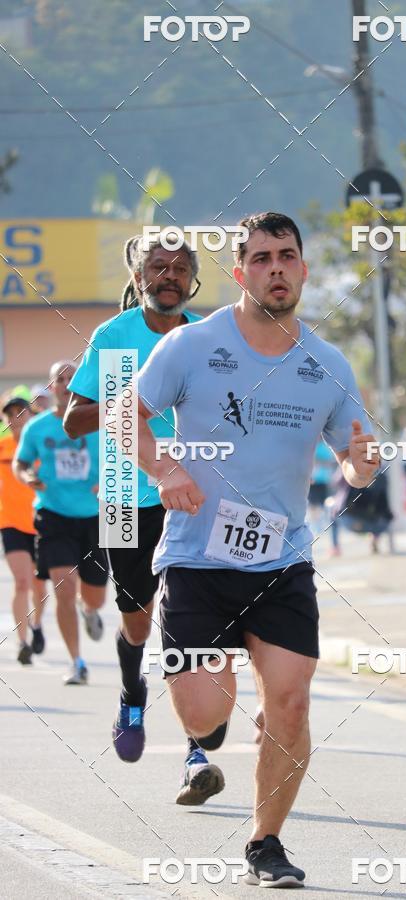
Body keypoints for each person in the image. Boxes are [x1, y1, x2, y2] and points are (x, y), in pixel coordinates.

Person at [131, 212, 379, 887]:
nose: (276, 267)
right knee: (206, 714)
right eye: (262, 257)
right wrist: (166, 471)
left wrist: (362, 465)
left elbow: (354, 464)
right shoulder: (191, 346)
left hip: (281, 560)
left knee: (292, 704)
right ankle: (205, 725)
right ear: (239, 272)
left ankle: (264, 844)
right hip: (195, 559)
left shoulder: (327, 366)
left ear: (302, 269)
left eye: (288, 256)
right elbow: (132, 415)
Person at [63, 235, 202, 761]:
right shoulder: (113, 336)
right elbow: (74, 420)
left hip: (189, 492)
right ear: (139, 277)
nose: (170, 276)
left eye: (180, 268)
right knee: (138, 619)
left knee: (187, 617)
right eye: (158, 267)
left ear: (192, 280)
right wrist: (130, 403)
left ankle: (197, 744)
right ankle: (132, 695)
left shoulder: (206, 337)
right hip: (122, 494)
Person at [13, 361, 107, 684]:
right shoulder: (37, 428)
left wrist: (107, 482)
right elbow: (21, 462)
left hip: (94, 516)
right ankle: (77, 662)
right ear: (50, 387)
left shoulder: (97, 422)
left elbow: (125, 456)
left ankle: (90, 610)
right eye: (60, 379)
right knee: (63, 588)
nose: (66, 384)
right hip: (53, 515)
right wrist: (28, 476)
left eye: (71, 378)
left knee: (95, 596)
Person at [0, 396, 48, 664]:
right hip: (9, 523)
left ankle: (37, 625)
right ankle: (22, 642)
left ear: (31, 416)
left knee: (39, 586)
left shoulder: (42, 446)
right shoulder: (2, 446)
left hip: (41, 521)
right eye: (10, 414)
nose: (14, 418)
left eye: (20, 412)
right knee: (21, 582)